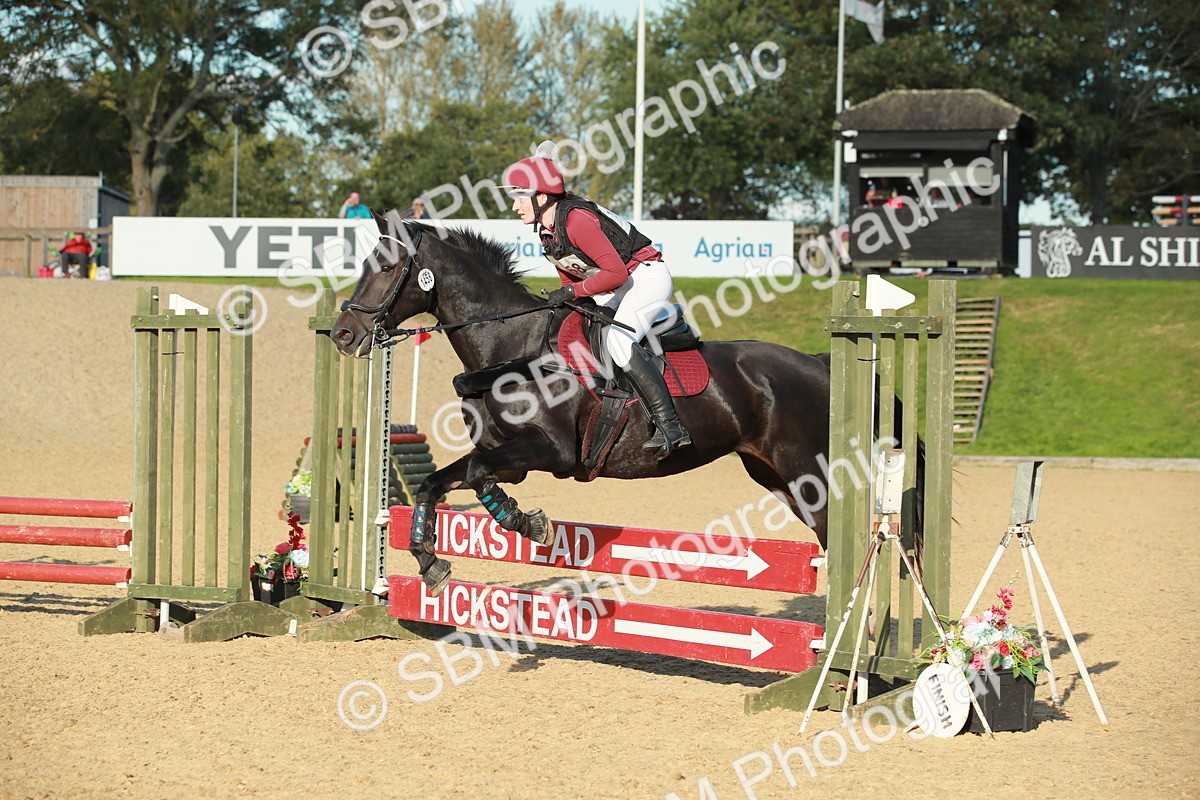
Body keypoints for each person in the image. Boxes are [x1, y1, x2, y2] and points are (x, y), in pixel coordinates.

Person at [500, 142, 691, 459]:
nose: (515, 206)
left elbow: (616, 273)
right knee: (585, 332)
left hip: (645, 276)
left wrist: (574, 293)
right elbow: (571, 276)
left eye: (520, 197)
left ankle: (671, 426)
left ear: (542, 196)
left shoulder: (576, 221)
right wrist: (568, 299)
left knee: (618, 340)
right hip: (621, 284)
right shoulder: (547, 233)